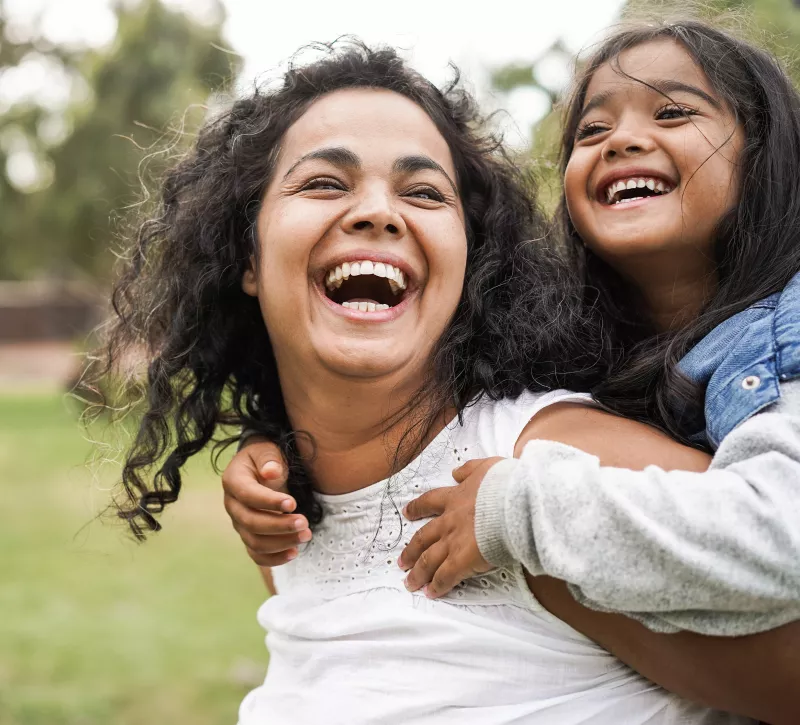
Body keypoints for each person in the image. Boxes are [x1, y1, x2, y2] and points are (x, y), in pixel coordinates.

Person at [103, 41, 751, 724]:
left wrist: (534, 530)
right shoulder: (287, 511)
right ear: (248, 256)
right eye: (325, 182)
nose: (379, 212)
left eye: (422, 192)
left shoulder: (548, 471)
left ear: (468, 263)